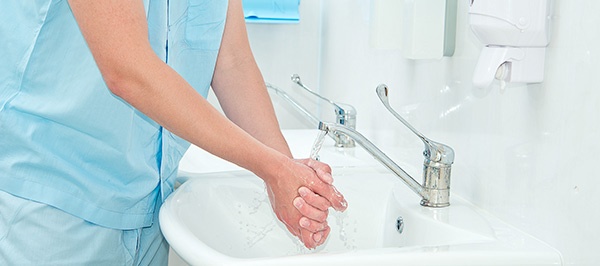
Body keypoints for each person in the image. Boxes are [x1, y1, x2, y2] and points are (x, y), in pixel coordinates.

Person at [0, 0, 347, 264]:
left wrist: (293, 182)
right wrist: (272, 169)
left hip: (150, 209)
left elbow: (232, 60)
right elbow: (127, 70)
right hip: (54, 207)